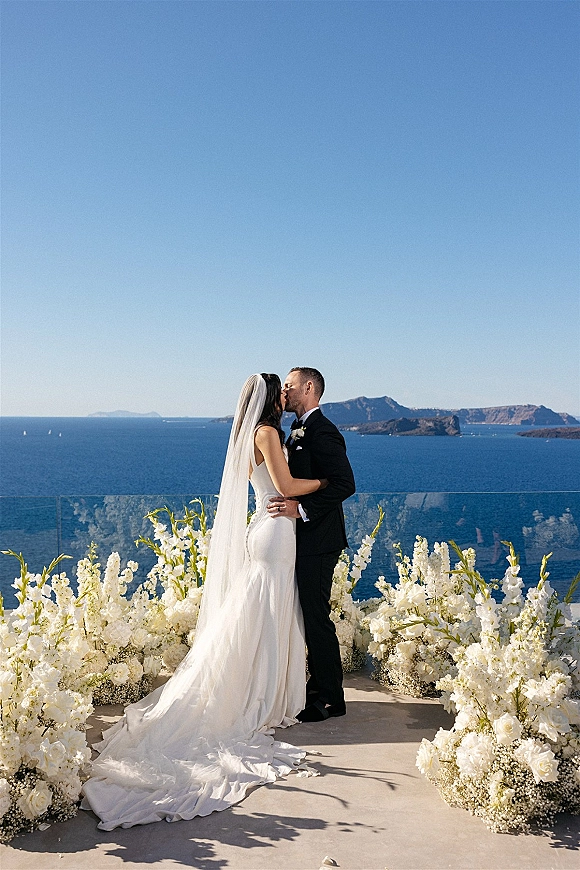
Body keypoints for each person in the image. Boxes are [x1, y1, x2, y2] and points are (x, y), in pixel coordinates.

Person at [81, 373, 326, 829]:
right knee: (269, 612)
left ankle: (260, 689)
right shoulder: (268, 432)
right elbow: (287, 487)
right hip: (276, 532)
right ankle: (265, 696)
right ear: (273, 398)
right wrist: (323, 483)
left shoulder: (246, 434)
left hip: (266, 530)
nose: (288, 395)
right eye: (283, 391)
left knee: (259, 612)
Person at [267, 367, 356, 722]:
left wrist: (300, 508)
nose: (284, 392)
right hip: (300, 537)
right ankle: (311, 687)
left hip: (320, 539)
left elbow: (344, 484)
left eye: (289, 385)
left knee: (317, 617)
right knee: (305, 614)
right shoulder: (295, 430)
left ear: (308, 387)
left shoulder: (323, 431)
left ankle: (331, 698)